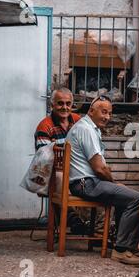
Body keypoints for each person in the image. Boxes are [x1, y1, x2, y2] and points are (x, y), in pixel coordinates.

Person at [66, 95, 139, 265]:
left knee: (125, 198)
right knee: (137, 199)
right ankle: (121, 250)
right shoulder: (86, 129)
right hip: (86, 184)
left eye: (109, 113)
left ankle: (125, 246)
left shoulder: (87, 127)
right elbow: (99, 168)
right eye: (103, 112)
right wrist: (114, 183)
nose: (107, 117)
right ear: (91, 111)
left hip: (85, 182)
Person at [34, 87, 84, 231]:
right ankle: (71, 218)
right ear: (52, 105)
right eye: (60, 103)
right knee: (60, 176)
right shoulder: (45, 126)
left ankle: (96, 229)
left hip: (76, 169)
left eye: (68, 104)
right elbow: (44, 158)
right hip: (51, 172)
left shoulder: (78, 121)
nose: (65, 107)